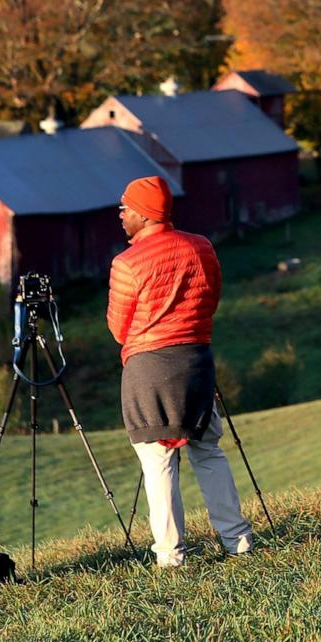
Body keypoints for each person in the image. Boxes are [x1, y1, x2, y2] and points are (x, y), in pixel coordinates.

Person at [107, 176, 253, 568]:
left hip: (149, 368)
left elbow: (119, 328)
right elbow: (211, 300)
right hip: (195, 361)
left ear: (144, 214)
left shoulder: (126, 264)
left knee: (157, 461)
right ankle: (237, 539)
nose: (120, 214)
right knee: (208, 450)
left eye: (125, 208)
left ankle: (171, 555)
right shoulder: (201, 247)